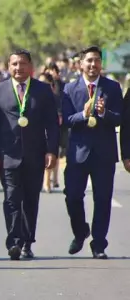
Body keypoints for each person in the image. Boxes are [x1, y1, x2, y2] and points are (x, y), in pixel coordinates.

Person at [0, 49, 59, 260]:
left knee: (30, 201)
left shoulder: (43, 90)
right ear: (9, 67)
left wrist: (51, 151)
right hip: (7, 155)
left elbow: (52, 124)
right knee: (11, 199)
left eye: (23, 64)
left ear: (30, 66)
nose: (19, 68)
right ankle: (14, 242)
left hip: (35, 155)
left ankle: (27, 242)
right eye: (14, 64)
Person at [62, 46, 123, 259]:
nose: (92, 64)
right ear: (81, 64)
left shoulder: (112, 88)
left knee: (103, 199)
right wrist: (82, 114)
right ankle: (80, 231)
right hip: (78, 153)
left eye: (96, 60)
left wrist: (104, 112)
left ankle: (99, 244)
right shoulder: (69, 89)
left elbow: (120, 118)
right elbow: (66, 120)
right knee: (72, 196)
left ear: (101, 64)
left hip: (104, 154)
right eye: (88, 60)